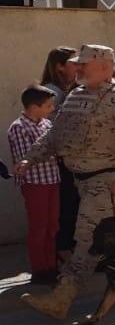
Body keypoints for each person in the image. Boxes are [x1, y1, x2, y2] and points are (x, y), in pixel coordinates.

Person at [17, 44, 115, 321]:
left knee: (87, 240)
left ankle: (61, 298)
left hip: (106, 180)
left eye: (84, 65)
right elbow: (56, 134)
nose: (78, 69)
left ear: (104, 67)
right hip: (82, 180)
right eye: (77, 64)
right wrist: (31, 158)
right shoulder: (76, 95)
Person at [8, 85, 61, 284]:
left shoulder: (46, 124)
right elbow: (28, 156)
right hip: (35, 182)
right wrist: (50, 151)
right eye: (47, 105)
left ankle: (51, 264)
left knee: (52, 225)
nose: (52, 108)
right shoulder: (19, 127)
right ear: (33, 107)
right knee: (39, 226)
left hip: (52, 179)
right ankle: (40, 269)